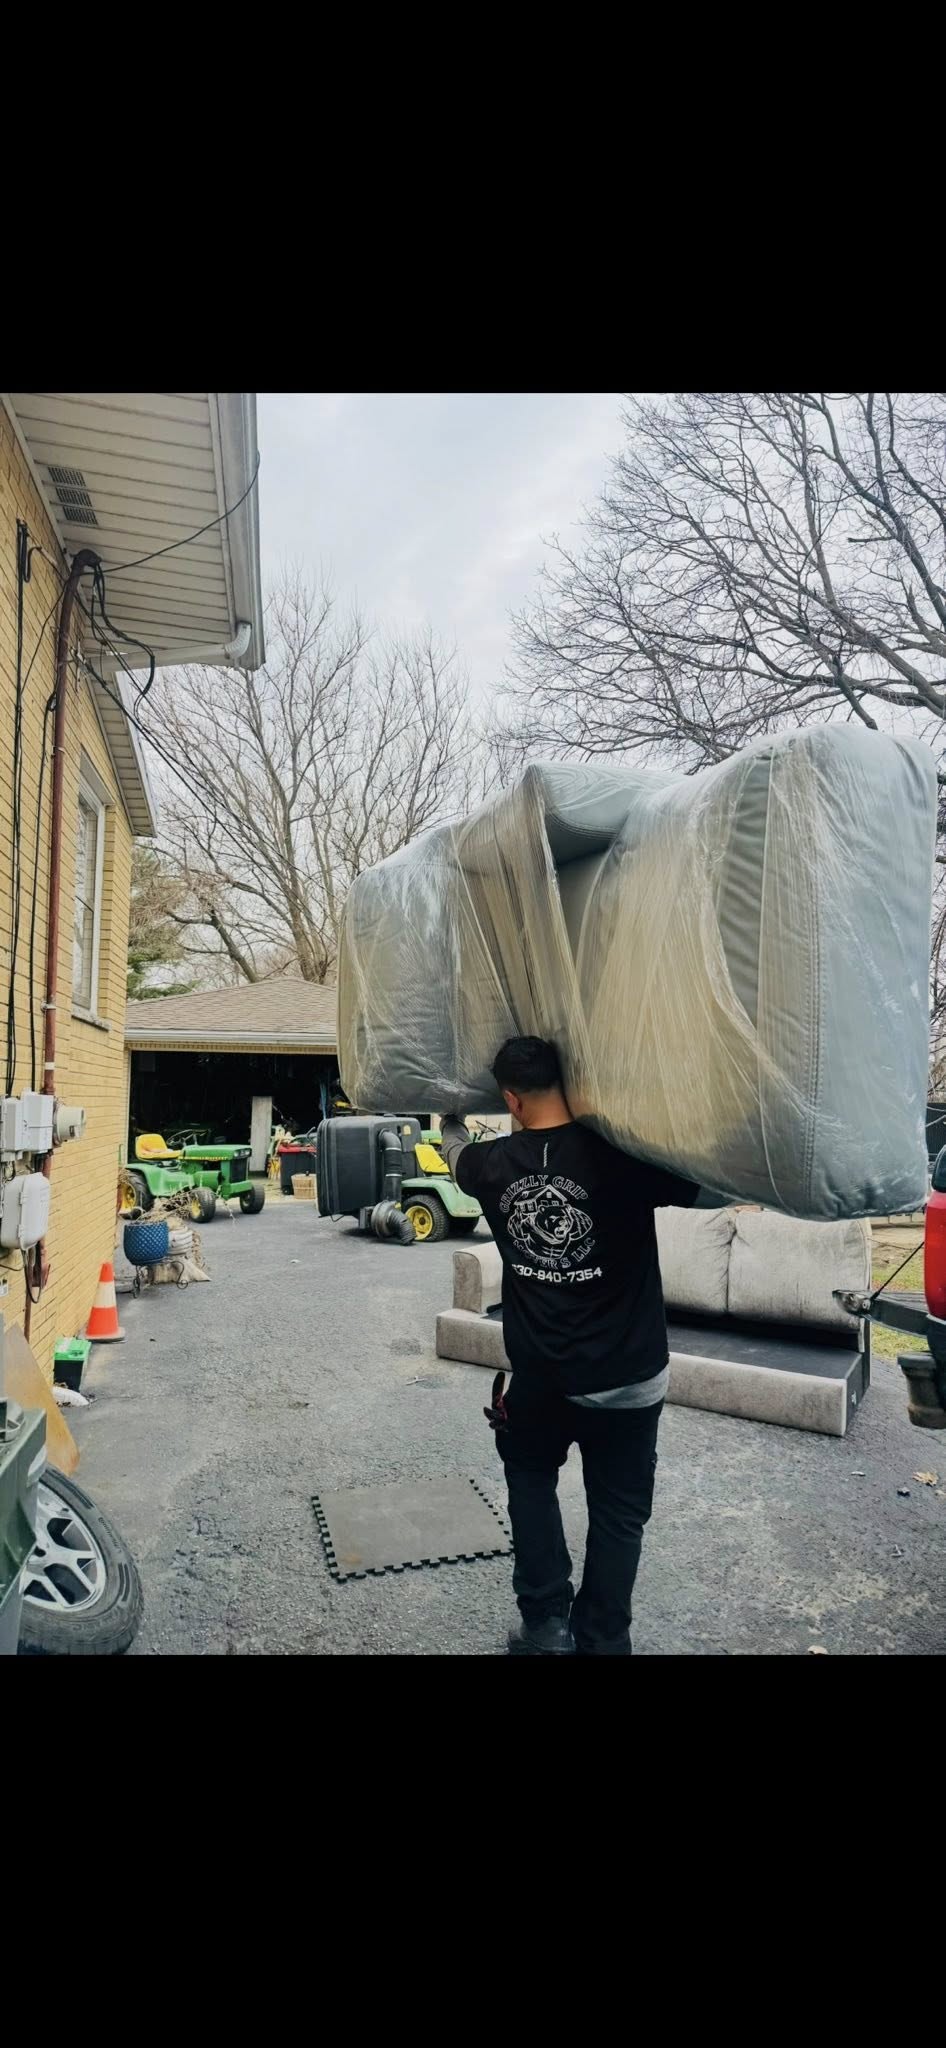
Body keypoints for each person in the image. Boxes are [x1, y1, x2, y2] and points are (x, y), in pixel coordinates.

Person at [440, 1036, 715, 1658]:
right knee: (619, 1514)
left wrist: (450, 1113)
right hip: (629, 1375)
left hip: (541, 1378)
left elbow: (452, 1149)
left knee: (531, 1480)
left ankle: (544, 1625)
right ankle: (601, 1640)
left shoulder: (491, 1165)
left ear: (510, 1098)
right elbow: (718, 1185)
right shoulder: (625, 1158)